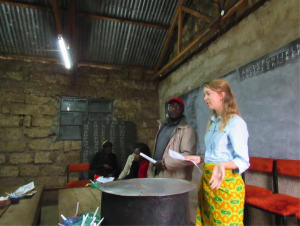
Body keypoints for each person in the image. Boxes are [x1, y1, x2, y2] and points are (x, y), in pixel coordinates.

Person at [185, 78, 250, 226]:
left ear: (221, 95)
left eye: (208, 94)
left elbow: (244, 160)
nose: (204, 98)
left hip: (226, 186)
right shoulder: (213, 122)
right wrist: (201, 159)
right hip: (209, 184)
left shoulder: (235, 122)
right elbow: (218, 154)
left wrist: (222, 165)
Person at [147, 97, 197, 181]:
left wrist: (164, 164)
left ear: (183, 110)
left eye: (178, 107)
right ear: (168, 109)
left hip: (173, 179)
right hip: (156, 175)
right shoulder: (162, 126)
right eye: (172, 106)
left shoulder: (187, 130)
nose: (174, 109)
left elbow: (188, 157)